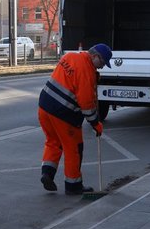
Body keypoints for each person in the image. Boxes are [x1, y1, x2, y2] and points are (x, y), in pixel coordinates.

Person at [38, 42, 112, 195]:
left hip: (44, 107)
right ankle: (73, 186)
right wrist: (95, 123)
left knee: (53, 142)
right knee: (74, 149)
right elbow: (86, 103)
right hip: (63, 113)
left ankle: (47, 173)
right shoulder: (87, 71)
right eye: (102, 62)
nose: (102, 67)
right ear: (95, 56)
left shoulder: (70, 56)